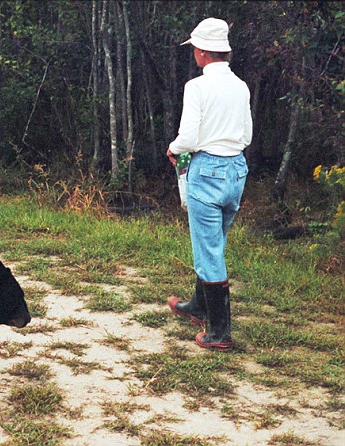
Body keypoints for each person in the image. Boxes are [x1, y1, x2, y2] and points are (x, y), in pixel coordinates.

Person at [166, 17, 252, 351]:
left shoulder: (197, 87)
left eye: (195, 50)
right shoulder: (241, 86)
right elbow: (246, 135)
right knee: (213, 244)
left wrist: (174, 149)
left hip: (208, 170)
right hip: (236, 170)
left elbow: (187, 136)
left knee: (209, 250)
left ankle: (220, 333)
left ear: (202, 51)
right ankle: (198, 306)